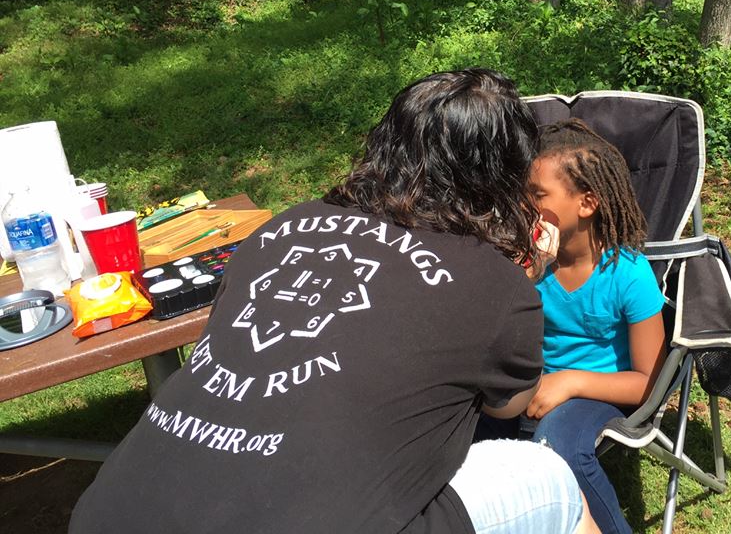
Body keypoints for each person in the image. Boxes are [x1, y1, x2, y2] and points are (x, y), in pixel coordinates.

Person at [69, 69, 599, 534]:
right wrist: (528, 276)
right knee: (546, 475)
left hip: (110, 514)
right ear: (505, 174)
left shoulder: (281, 228)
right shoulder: (493, 281)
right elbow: (507, 405)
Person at [524, 118, 667, 534]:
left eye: (537, 195)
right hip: (529, 385)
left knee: (558, 447)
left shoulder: (627, 274)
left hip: (598, 394)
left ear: (587, 204)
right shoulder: (526, 264)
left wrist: (570, 382)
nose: (522, 205)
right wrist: (526, 274)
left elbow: (648, 383)